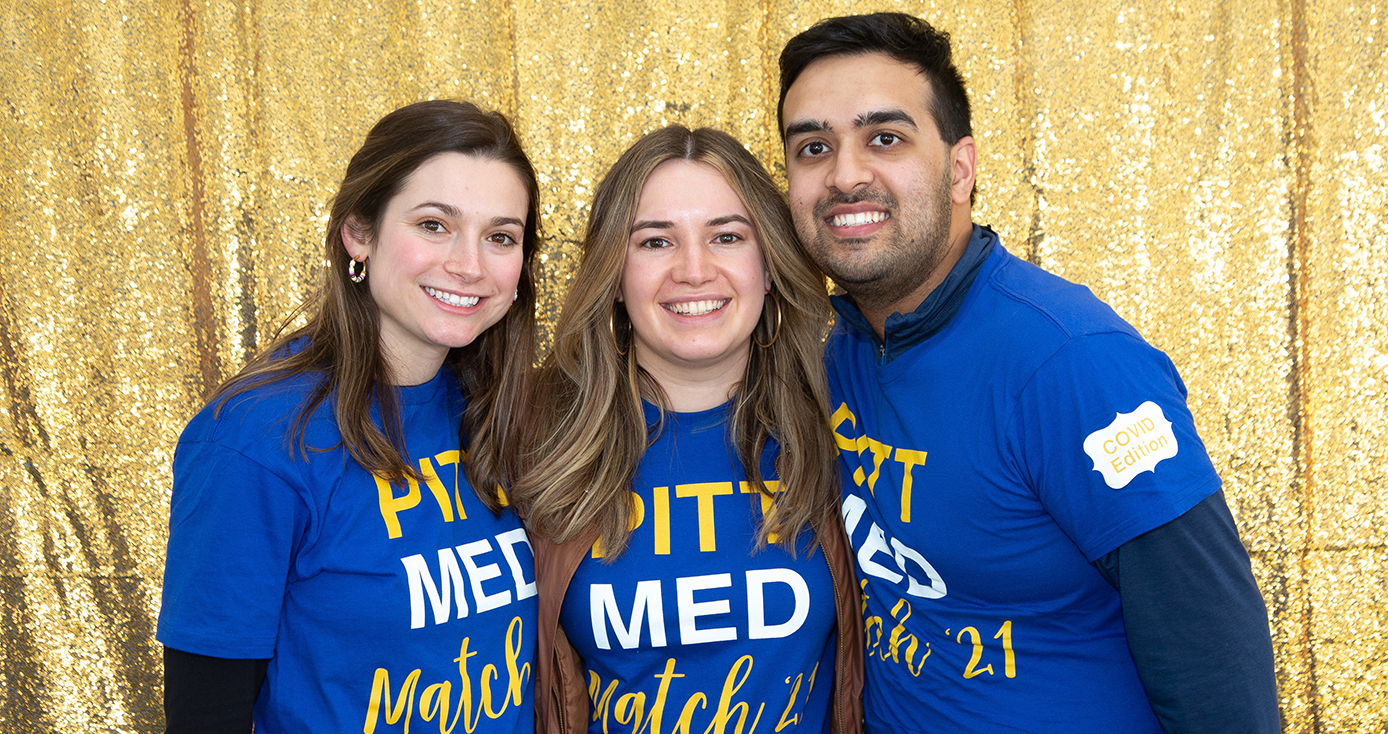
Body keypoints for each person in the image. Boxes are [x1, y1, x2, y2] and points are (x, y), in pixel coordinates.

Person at [777, 13, 1280, 734]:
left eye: (884, 138)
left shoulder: (1071, 361)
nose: (846, 174)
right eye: (814, 147)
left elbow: (1216, 661)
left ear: (960, 169)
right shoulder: (831, 350)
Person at [157, 100, 540, 734]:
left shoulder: (501, 410)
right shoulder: (255, 439)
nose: (470, 265)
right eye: (434, 225)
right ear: (358, 233)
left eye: (500, 236)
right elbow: (207, 715)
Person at [513, 125, 863, 734]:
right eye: (655, 242)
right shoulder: (533, 435)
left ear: (771, 265)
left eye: (727, 237)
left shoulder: (842, 422)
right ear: (614, 278)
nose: (694, 271)